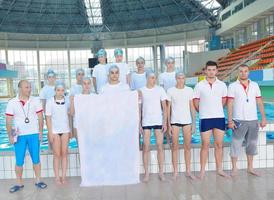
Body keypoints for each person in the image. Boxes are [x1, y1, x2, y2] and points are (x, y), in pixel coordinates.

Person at [6, 80, 47, 193]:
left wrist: (40, 132)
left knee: (36, 159)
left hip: (34, 134)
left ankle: (38, 180)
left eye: (29, 87)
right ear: (20, 89)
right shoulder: (12, 102)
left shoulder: (35, 100)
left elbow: (40, 117)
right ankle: (19, 183)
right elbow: (9, 121)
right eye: (26, 87)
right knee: (19, 160)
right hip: (19, 135)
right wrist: (10, 135)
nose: (29, 89)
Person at [227, 64, 267, 177]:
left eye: (245, 71)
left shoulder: (255, 85)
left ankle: (250, 168)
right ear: (238, 73)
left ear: (248, 72)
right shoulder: (232, 86)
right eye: (241, 71)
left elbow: (259, 102)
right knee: (236, 144)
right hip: (239, 120)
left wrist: (263, 118)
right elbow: (229, 104)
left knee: (252, 145)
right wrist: (230, 121)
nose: (243, 73)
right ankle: (234, 168)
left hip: (253, 120)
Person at [193, 61, 229, 179]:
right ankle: (202, 171)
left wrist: (216, 109)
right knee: (205, 145)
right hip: (205, 118)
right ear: (205, 71)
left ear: (217, 71)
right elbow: (196, 102)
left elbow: (224, 101)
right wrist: (203, 111)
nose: (211, 72)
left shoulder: (222, 85)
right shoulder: (199, 85)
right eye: (209, 70)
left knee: (219, 145)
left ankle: (219, 169)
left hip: (219, 117)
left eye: (213, 70)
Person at [167, 71, 196, 180]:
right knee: (175, 147)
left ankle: (188, 171)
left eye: (182, 78)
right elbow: (168, 108)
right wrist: (168, 124)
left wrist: (194, 123)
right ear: (176, 78)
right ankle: (175, 172)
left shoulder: (189, 90)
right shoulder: (170, 91)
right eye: (179, 78)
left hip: (187, 122)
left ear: (185, 79)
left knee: (187, 147)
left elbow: (192, 107)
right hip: (174, 122)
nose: (180, 80)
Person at [139, 71, 168, 182]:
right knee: (146, 147)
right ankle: (147, 173)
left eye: (154, 78)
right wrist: (139, 124)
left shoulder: (160, 90)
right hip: (146, 121)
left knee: (160, 146)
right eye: (151, 78)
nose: (154, 80)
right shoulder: (141, 91)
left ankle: (161, 172)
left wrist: (164, 122)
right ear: (146, 78)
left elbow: (164, 108)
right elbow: (139, 109)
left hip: (158, 121)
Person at [45, 81, 71, 185]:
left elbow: (70, 115)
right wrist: (50, 133)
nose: (60, 92)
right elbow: (48, 118)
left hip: (65, 130)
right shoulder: (50, 101)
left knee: (64, 154)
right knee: (57, 154)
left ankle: (63, 177)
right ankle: (57, 177)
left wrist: (70, 131)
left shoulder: (67, 100)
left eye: (62, 90)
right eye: (58, 90)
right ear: (55, 91)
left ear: (64, 91)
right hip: (55, 131)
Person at [69, 68, 85, 139]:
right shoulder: (73, 89)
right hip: (77, 118)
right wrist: (71, 128)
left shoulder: (88, 87)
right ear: (76, 76)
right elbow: (71, 108)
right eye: (79, 74)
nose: (81, 76)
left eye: (82, 74)